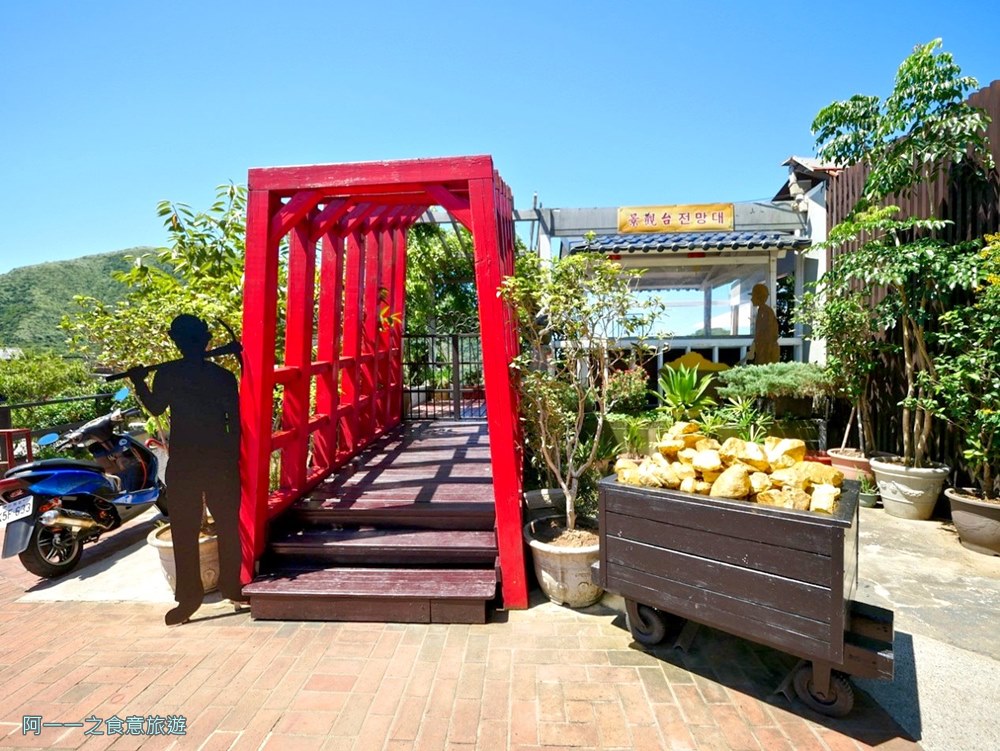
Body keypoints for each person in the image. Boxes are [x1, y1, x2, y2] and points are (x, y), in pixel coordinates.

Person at [128, 315, 242, 625]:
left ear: (177, 341)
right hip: (215, 459)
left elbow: (154, 407)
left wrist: (139, 381)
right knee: (224, 526)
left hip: (191, 460)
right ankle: (228, 586)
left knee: (189, 529)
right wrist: (232, 459)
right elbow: (235, 425)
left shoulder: (169, 374)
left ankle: (196, 596)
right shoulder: (222, 377)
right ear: (206, 341)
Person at [745, 283, 780, 365]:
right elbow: (759, 334)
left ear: (759, 297)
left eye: (753, 296)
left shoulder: (765, 312)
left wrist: (756, 350)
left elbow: (765, 335)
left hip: (767, 352)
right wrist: (753, 349)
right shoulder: (762, 311)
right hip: (764, 350)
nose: (751, 299)